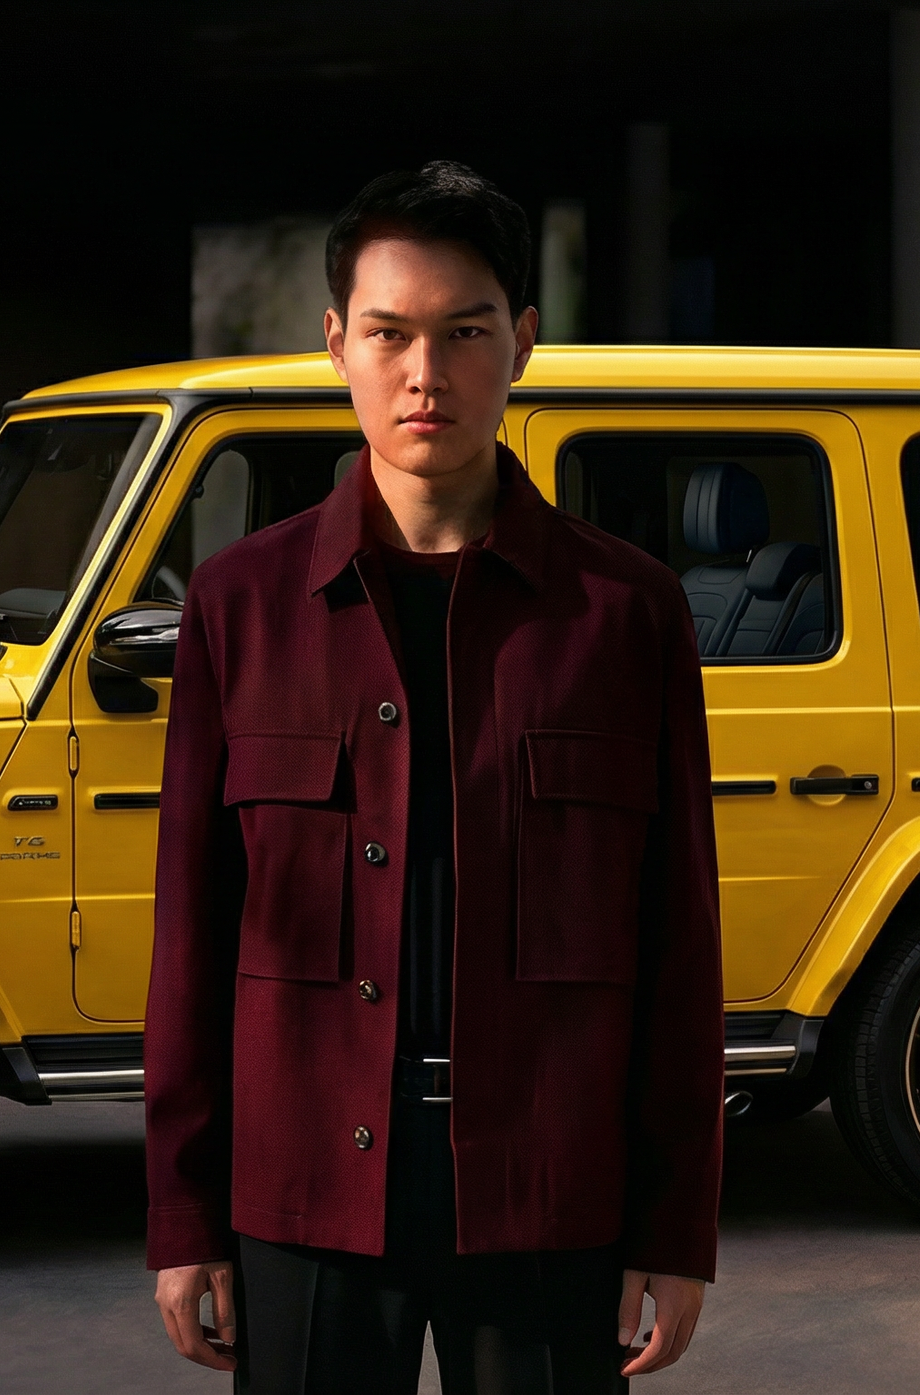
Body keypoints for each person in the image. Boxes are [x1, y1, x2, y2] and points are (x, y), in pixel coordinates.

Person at [146, 160, 723, 1394]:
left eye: (464, 332)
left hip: (546, 1189)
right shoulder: (240, 606)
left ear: (523, 342)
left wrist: (676, 1229)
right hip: (304, 1186)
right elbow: (191, 938)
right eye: (388, 334)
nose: (425, 374)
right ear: (335, 345)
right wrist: (184, 1217)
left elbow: (680, 946)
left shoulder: (625, 614)